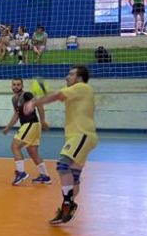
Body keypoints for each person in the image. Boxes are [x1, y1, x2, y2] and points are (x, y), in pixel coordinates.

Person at [24, 65, 99, 225]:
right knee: (74, 177)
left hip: (81, 135)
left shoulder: (82, 87)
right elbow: (59, 95)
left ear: (79, 77)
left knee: (62, 166)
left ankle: (67, 204)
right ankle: (69, 206)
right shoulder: (78, 91)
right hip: (81, 137)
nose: (67, 77)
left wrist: (34, 102)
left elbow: (57, 95)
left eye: (71, 74)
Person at [2, 78, 51, 186]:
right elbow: (16, 114)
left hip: (31, 124)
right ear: (11, 86)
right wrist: (8, 127)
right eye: (14, 84)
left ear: (22, 86)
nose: (16, 86)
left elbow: (39, 104)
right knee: (33, 152)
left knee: (15, 146)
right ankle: (45, 176)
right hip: (30, 126)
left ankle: (21, 173)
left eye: (18, 84)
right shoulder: (14, 99)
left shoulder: (26, 95)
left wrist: (43, 120)